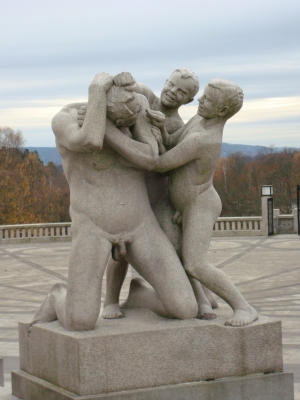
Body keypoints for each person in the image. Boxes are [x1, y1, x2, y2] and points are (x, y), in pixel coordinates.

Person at [30, 73, 198, 331]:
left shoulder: (136, 108)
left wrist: (111, 127)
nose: (128, 125)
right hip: (93, 228)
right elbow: (90, 140)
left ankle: (139, 294)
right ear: (103, 107)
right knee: (80, 321)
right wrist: (97, 88)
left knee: (186, 308)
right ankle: (58, 296)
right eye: (120, 120)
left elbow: (150, 158)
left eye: (130, 121)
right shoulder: (65, 120)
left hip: (141, 225)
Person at [104, 79, 258, 327]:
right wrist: (162, 130)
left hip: (199, 205)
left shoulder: (205, 139)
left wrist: (116, 137)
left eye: (206, 99)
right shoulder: (199, 121)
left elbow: (161, 164)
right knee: (178, 253)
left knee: (195, 263)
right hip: (184, 205)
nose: (200, 101)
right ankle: (199, 300)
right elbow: (174, 142)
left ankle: (243, 307)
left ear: (220, 111)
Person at [78, 70, 218, 320]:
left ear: (187, 101)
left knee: (177, 249)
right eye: (171, 84)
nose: (172, 91)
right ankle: (111, 300)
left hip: (157, 195)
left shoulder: (177, 126)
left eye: (181, 92)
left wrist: (181, 204)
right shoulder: (144, 95)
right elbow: (118, 88)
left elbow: (177, 166)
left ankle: (198, 295)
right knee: (119, 247)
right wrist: (95, 108)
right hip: (131, 189)